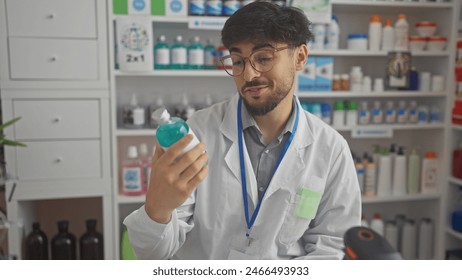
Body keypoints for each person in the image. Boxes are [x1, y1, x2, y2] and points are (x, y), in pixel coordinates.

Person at [124, 1, 361, 260]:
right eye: (237, 61)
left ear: (300, 57)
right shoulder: (198, 132)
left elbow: (332, 245)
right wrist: (157, 210)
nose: (248, 75)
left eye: (263, 58)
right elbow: (154, 254)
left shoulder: (330, 148)